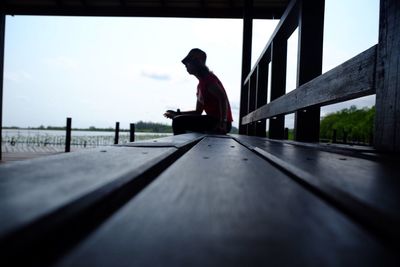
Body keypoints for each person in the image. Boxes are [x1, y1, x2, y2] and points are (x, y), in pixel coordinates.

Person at [164, 48, 233, 135]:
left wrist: (223, 123)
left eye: (188, 62)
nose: (185, 65)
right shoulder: (200, 85)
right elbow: (198, 112)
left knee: (178, 121)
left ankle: (180, 148)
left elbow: (222, 99)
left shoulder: (209, 79)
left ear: (197, 63)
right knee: (178, 119)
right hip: (212, 121)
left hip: (220, 123)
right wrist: (177, 113)